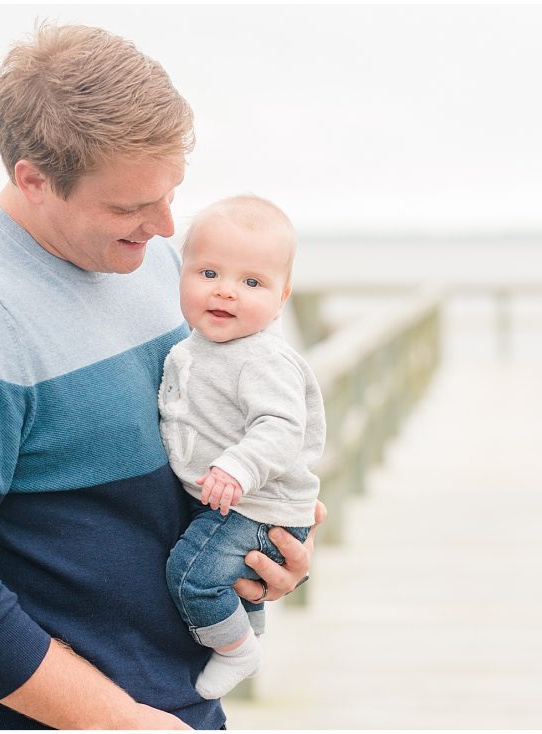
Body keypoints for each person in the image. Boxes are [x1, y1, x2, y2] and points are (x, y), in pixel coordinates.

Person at [0, 23, 323, 730]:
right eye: (130, 206)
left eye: (170, 193)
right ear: (33, 179)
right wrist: (120, 721)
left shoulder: (156, 265)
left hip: (184, 702)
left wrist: (265, 560)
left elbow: (190, 464)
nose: (167, 225)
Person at [160, 196, 325, 700]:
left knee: (192, 576)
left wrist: (236, 467)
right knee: (225, 579)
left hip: (253, 503)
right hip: (237, 500)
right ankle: (247, 633)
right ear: (181, 271)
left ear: (282, 298)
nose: (226, 291)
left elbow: (279, 426)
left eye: (252, 283)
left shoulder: (261, 358)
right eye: (208, 273)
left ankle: (237, 652)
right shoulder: (203, 347)